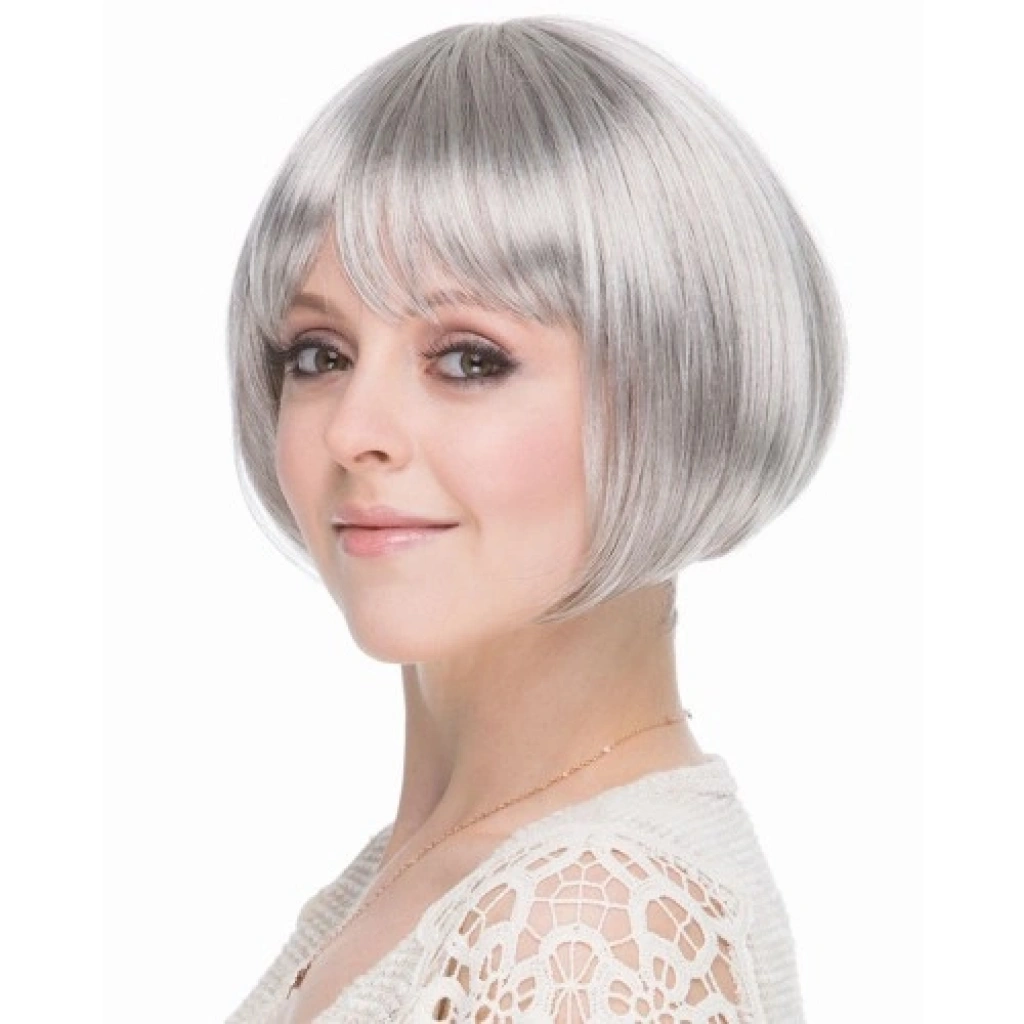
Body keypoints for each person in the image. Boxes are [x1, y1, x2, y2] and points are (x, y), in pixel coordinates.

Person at [224, 14, 845, 1024]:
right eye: (319, 354)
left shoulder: (580, 926)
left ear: (672, 391)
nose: (353, 430)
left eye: (469, 359)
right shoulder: (417, 878)